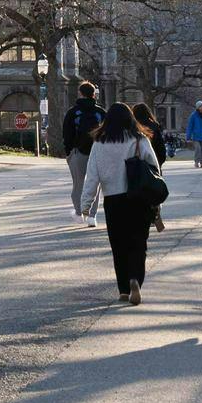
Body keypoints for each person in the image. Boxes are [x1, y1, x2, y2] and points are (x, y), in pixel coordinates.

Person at [79, 103, 158, 305]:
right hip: (138, 198)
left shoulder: (99, 143)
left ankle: (123, 289)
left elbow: (92, 176)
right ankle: (135, 280)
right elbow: (154, 168)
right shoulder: (139, 140)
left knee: (119, 245)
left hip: (113, 200)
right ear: (130, 119)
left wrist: (86, 204)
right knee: (138, 243)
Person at [62, 82, 105, 215]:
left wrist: (69, 151)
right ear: (94, 94)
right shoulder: (100, 112)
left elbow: (66, 134)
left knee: (78, 184)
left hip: (77, 151)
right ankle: (92, 215)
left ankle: (79, 212)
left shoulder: (72, 112)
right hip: (97, 152)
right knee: (94, 184)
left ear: (80, 93)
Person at [133, 101, 170, 233]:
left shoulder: (133, 127)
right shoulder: (154, 126)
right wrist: (159, 163)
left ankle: (143, 216)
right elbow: (160, 148)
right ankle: (155, 214)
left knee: (139, 190)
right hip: (154, 164)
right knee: (154, 190)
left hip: (137, 165)